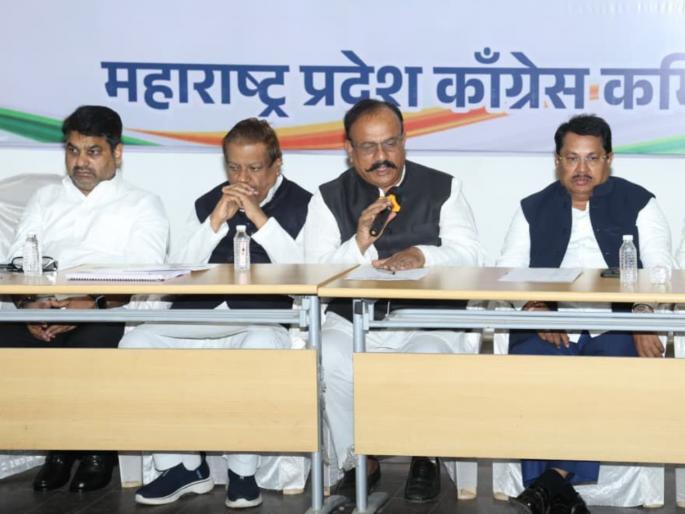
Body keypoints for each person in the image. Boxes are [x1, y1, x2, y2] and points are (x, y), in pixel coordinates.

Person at [119, 118, 312, 509]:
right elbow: (177, 270)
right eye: (234, 168)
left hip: (261, 315)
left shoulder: (304, 203)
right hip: (201, 311)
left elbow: (304, 275)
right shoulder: (208, 202)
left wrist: (259, 218)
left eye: (254, 168)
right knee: (135, 343)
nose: (243, 179)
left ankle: (242, 471)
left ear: (277, 165)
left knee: (259, 345)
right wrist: (215, 221)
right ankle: (181, 466)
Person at [303, 99, 484, 503]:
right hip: (354, 318)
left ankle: (424, 456)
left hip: (425, 319)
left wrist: (423, 254)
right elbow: (315, 272)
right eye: (368, 147)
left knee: (426, 358)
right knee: (328, 356)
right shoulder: (328, 197)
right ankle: (359, 461)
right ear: (349, 150)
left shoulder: (444, 187)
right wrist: (358, 242)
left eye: (390, 143)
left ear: (404, 142)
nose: (381, 156)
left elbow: (471, 255)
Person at [497, 114, 674, 514]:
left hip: (618, 323)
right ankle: (557, 491)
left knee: (607, 374)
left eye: (592, 158)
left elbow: (661, 268)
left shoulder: (639, 202)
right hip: (550, 325)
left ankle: (549, 484)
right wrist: (535, 309)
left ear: (608, 159)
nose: (582, 169)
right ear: (557, 161)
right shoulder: (532, 207)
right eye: (572, 158)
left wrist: (642, 316)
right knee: (532, 366)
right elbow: (507, 270)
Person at [2, 105, 169, 492]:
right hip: (43, 307)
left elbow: (144, 274)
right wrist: (29, 306)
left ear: (117, 153)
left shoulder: (142, 203)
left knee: (92, 342)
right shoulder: (45, 198)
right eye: (73, 150)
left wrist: (88, 304)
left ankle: (96, 450)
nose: (80, 162)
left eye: (93, 152)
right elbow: (16, 261)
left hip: (105, 310)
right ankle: (56, 447)